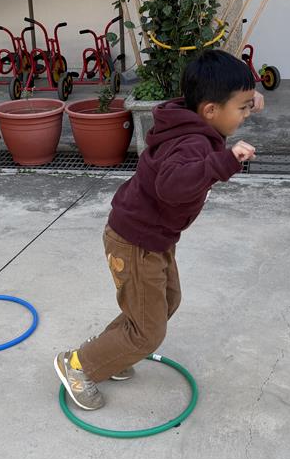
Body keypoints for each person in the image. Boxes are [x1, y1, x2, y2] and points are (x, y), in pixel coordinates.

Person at [54, 49, 263, 409]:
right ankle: (78, 365)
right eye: (243, 108)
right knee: (148, 331)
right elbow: (173, 185)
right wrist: (224, 162)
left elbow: (224, 108)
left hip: (152, 237)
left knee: (166, 302)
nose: (247, 113)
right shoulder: (192, 143)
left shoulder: (189, 119)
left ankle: (110, 352)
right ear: (210, 110)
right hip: (136, 241)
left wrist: (250, 97)